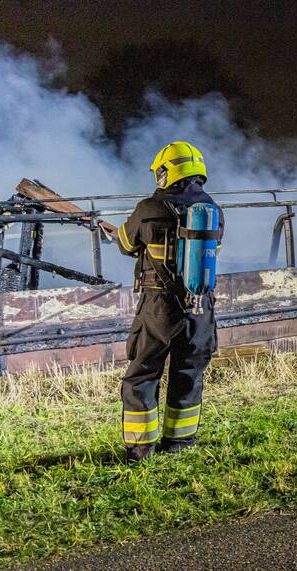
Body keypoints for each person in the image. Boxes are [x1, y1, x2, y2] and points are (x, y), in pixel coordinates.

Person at [115, 141, 224, 463]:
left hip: (159, 306)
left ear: (166, 172)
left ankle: (140, 448)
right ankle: (180, 443)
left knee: (143, 373)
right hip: (201, 306)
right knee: (188, 371)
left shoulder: (149, 208)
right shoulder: (213, 210)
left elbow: (125, 243)